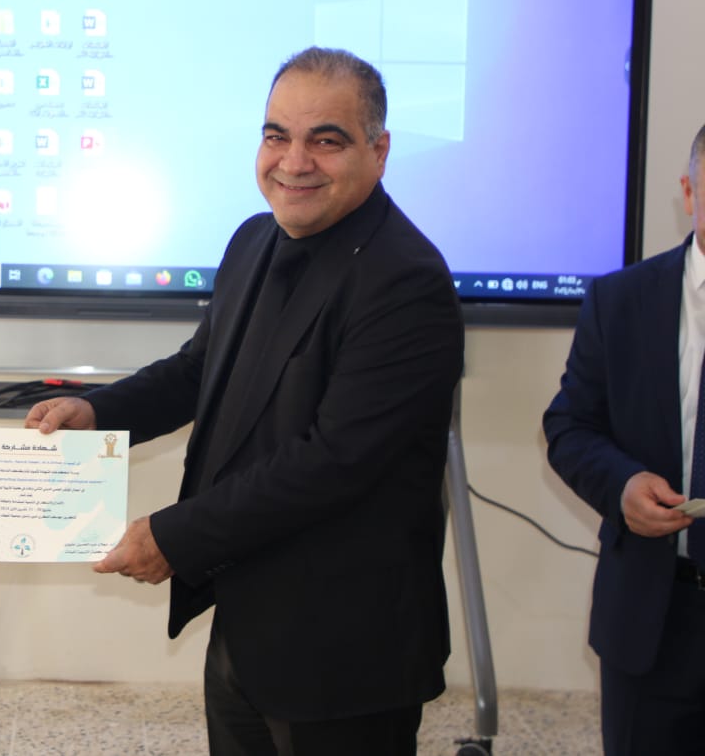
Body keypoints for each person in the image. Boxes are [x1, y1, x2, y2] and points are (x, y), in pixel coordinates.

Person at [26, 46, 464, 755]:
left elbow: (334, 462)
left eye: (326, 140)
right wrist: (100, 412)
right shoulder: (255, 239)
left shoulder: (406, 282)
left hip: (347, 650)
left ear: (379, 151)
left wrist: (173, 536)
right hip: (248, 619)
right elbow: (201, 369)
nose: (294, 161)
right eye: (276, 135)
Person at [543, 123, 705, 756]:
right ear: (689, 191)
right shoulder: (621, 300)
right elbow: (569, 426)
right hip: (654, 618)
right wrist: (623, 485)